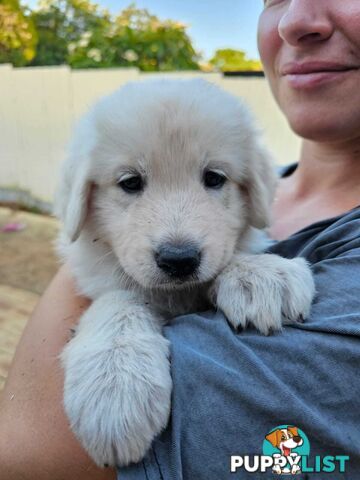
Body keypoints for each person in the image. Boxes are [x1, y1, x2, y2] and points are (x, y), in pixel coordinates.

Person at [1, 0, 360, 478]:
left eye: (214, 178)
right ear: (81, 195)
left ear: (252, 187)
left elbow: (29, 453)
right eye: (130, 183)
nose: (178, 237)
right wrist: (114, 312)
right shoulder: (276, 178)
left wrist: (239, 263)